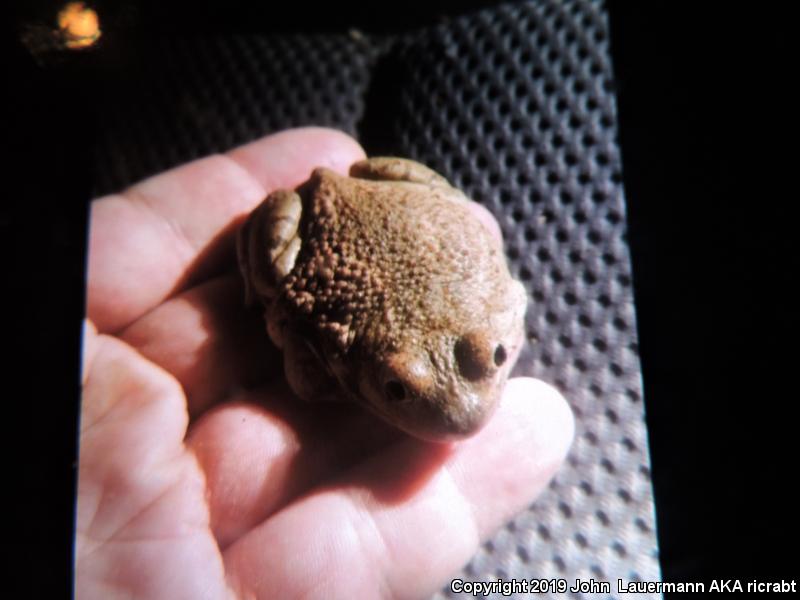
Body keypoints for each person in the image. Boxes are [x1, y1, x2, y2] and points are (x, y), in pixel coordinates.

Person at [77, 127, 574, 598]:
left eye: (491, 356)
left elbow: (503, 284)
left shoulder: (487, 303)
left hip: (405, 218)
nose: (466, 409)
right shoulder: (345, 346)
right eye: (398, 387)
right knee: (275, 275)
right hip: (315, 223)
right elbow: (303, 372)